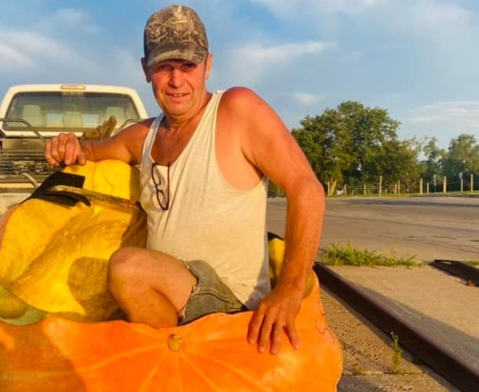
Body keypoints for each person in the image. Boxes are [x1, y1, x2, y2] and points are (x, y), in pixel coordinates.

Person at [44, 4, 325, 355]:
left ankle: (184, 367)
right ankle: (176, 365)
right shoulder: (144, 134)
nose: (177, 81)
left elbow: (306, 188)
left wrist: (290, 290)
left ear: (208, 65)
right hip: (172, 298)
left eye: (188, 66)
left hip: (231, 302)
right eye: (164, 67)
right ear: (146, 70)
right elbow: (92, 152)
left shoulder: (236, 110)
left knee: (128, 268)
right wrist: (69, 145)